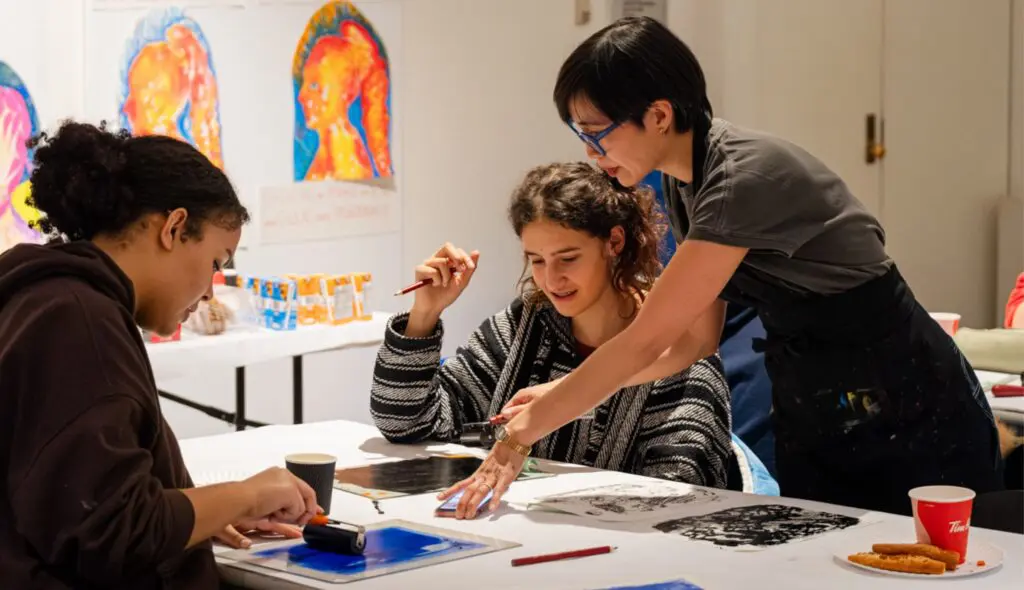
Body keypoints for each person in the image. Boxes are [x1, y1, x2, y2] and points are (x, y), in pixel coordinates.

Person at [440, 16, 1003, 519]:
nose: (590, 151)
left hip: (901, 396)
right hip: (820, 397)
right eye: (579, 134)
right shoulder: (690, 187)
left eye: (596, 131)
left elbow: (644, 339)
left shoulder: (741, 178)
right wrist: (563, 390)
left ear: (658, 115)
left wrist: (520, 438)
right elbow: (691, 343)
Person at [0, 121, 319, 589]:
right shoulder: (78, 321)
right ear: (173, 227)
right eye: (215, 263)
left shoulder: (44, 298)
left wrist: (204, 514)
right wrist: (246, 495)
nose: (211, 292)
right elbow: (110, 533)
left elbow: (84, 496)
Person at [371, 162, 733, 492]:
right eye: (537, 260)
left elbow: (682, 489)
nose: (552, 278)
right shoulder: (524, 327)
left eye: (568, 258)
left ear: (615, 242)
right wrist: (424, 315)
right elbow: (406, 426)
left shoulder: (674, 345)